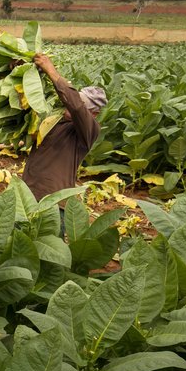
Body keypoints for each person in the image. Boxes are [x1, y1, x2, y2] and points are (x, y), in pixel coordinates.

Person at [21, 53, 107, 235]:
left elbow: (75, 105)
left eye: (84, 106)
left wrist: (51, 70)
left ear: (94, 114)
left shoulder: (89, 130)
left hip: (53, 204)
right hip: (26, 195)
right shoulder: (55, 120)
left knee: (49, 255)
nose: (67, 105)